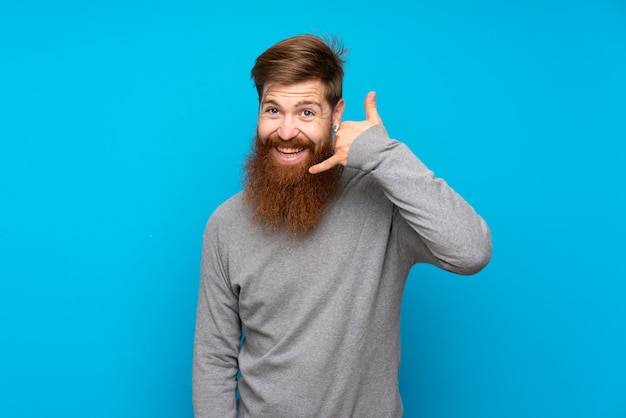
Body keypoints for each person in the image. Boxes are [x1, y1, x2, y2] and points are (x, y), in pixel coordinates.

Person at [192, 34, 492, 418]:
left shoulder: (383, 201)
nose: (285, 132)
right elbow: (213, 359)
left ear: (336, 115)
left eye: (305, 112)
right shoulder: (225, 224)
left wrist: (383, 154)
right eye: (272, 110)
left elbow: (471, 251)